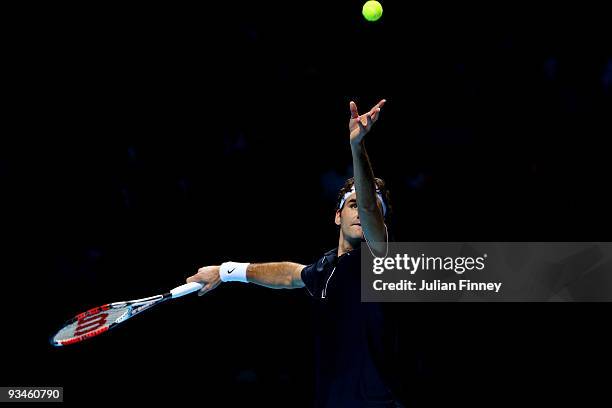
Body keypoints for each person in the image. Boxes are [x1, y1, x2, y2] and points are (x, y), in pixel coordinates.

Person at [187, 99, 404, 407]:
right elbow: (290, 275)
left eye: (372, 211)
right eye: (352, 206)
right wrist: (226, 271)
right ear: (337, 216)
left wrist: (357, 147)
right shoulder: (325, 269)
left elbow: (371, 209)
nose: (362, 213)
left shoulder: (382, 260)